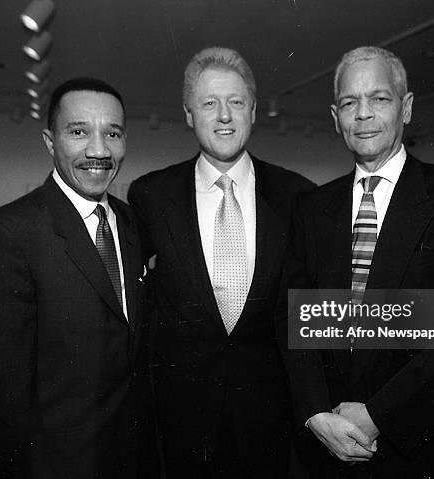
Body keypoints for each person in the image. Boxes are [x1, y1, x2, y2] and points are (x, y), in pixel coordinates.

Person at [278, 46, 434, 478]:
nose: (363, 114)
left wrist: (378, 413)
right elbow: (291, 319)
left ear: (407, 107)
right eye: (349, 102)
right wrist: (313, 414)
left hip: (428, 449)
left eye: (379, 99)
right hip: (328, 443)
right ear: (335, 116)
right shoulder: (310, 207)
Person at [128, 47, 315, 478]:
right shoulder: (151, 196)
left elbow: (308, 308)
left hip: (269, 416)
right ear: (190, 114)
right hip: (181, 415)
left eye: (235, 102)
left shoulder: (299, 196)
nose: (224, 115)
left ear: (252, 109)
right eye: (209, 103)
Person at [0, 78, 155, 479]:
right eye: (79, 131)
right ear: (50, 142)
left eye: (112, 133)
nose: (98, 150)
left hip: (132, 451)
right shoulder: (5, 234)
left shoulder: (132, 221)